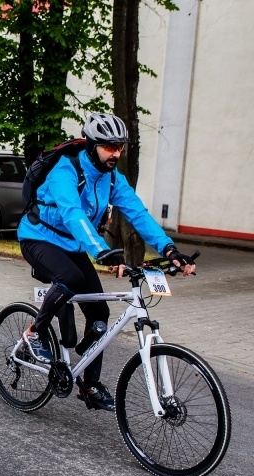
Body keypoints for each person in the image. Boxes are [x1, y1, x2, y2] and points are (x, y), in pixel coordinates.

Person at [17, 113, 197, 412]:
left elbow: (138, 213)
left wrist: (169, 249)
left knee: (99, 312)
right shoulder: (66, 170)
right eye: (109, 147)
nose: (115, 153)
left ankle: (89, 384)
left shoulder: (113, 177)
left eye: (120, 147)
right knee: (70, 278)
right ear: (91, 145)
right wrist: (102, 251)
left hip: (74, 244)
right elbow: (72, 213)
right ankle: (34, 331)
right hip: (38, 238)